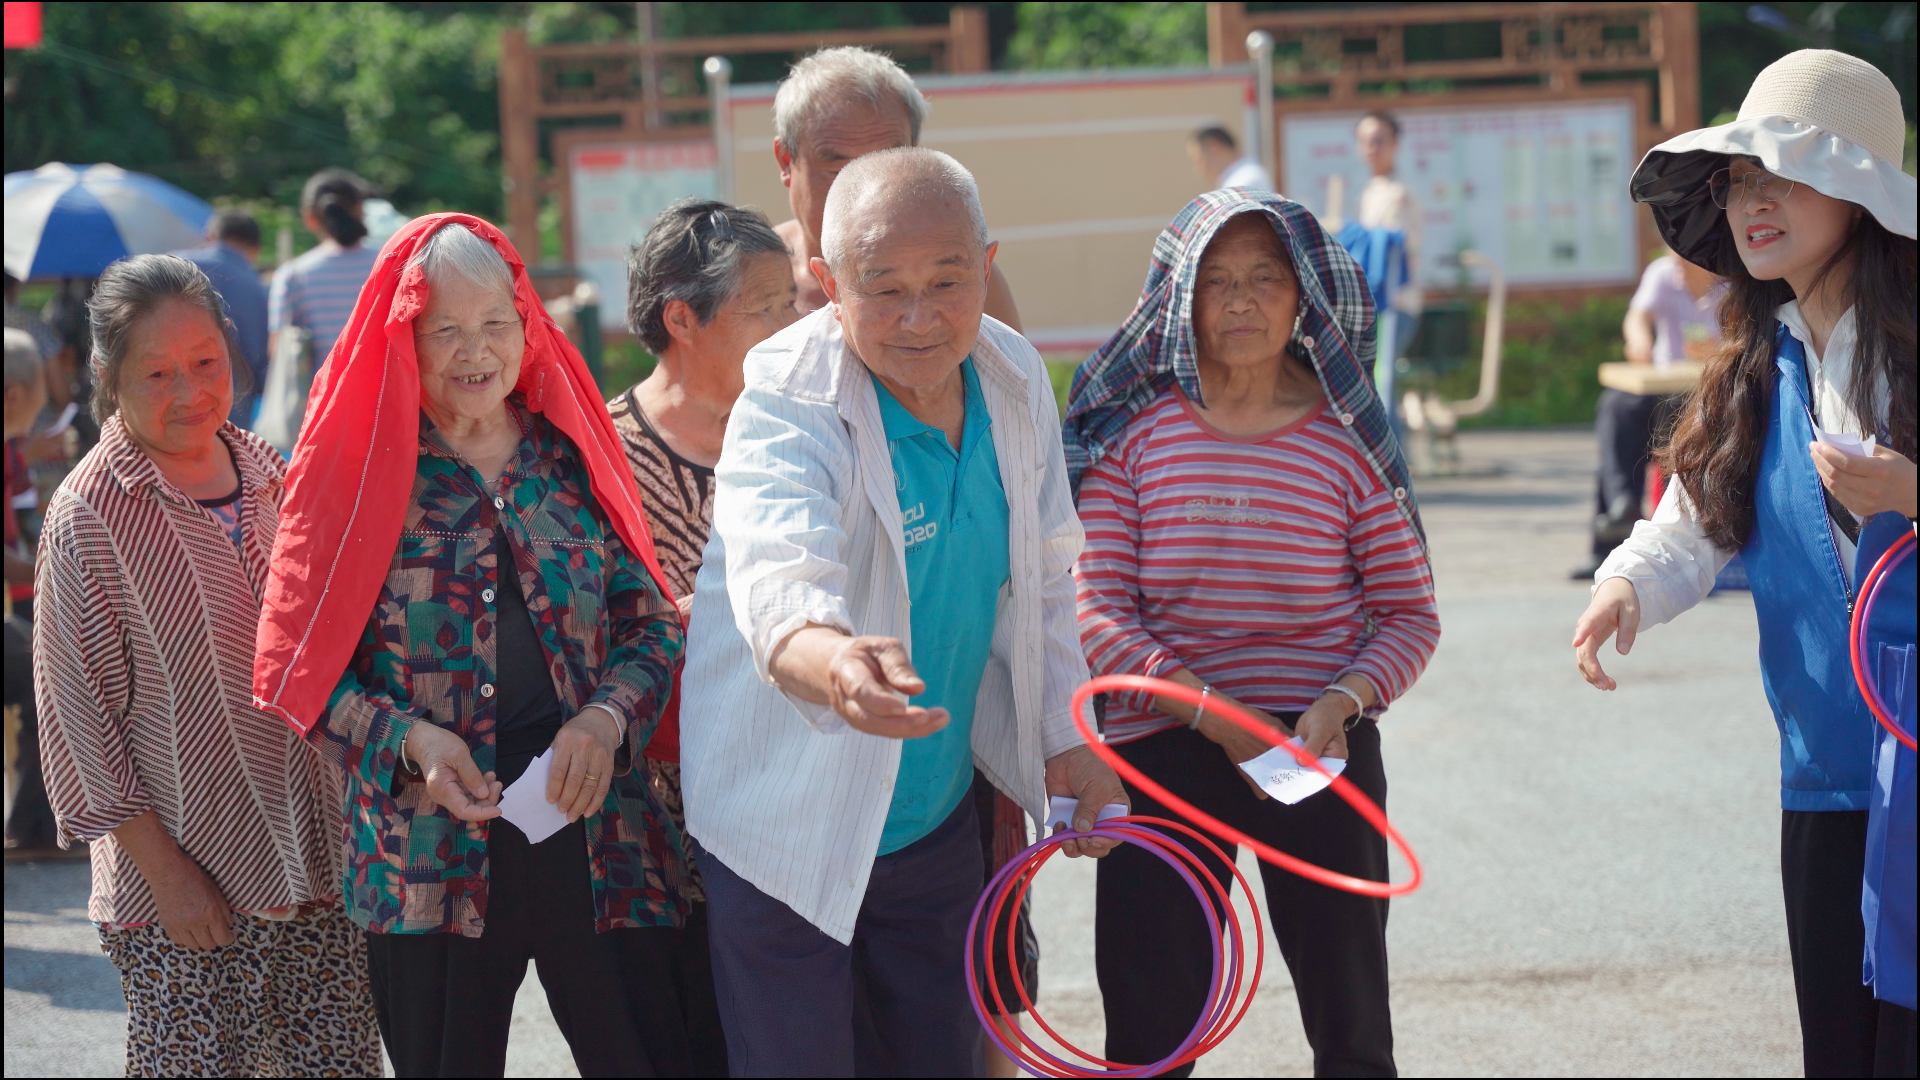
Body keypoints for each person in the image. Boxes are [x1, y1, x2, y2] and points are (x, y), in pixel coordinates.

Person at [678, 147, 1127, 1076]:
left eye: (947, 282)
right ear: (827, 284)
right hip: (785, 825)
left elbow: (1044, 575)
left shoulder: (1010, 373)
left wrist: (1066, 739)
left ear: (987, 266)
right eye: (884, 289)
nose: (920, 317)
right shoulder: (786, 396)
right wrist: (838, 663)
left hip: (933, 819)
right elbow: (779, 582)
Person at [252, 214, 693, 1078]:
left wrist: (605, 721)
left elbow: (649, 622)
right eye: (445, 330)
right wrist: (411, 743)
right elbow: (302, 669)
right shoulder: (358, 472)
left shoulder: (570, 456)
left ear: (527, 327)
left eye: (496, 322)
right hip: (426, 851)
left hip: (594, 829)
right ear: (403, 342)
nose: (475, 350)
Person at [1575, 49, 1917, 1077]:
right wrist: (1625, 584)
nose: (1752, 202)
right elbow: (1695, 519)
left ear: (1859, 191)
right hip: (1825, 776)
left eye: (1783, 175)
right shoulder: (1759, 364)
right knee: (1840, 1048)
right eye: (1736, 181)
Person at [1065, 189, 1439, 1076]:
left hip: (1315, 742)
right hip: (1163, 739)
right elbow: (1095, 608)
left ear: (1302, 296)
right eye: (1217, 281)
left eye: (1265, 278)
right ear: (1181, 302)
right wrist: (1218, 717)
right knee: (1150, 1032)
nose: (1240, 302)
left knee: (1353, 1029)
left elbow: (1408, 613)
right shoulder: (1132, 434)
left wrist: (1339, 704)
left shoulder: (1346, 440)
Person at [31, 255, 381, 1077]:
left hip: (321, 871)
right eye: (157, 372)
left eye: (205, 362)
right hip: (185, 892)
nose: (189, 391)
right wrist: (167, 875)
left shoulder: (271, 473)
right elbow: (77, 718)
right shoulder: (88, 516)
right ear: (108, 376)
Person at [609, 198, 798, 1075]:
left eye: (791, 303)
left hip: (794, 816)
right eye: (765, 308)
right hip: (654, 837)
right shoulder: (601, 457)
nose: (790, 326)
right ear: (682, 319)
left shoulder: (806, 429)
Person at [770, 46, 1023, 331]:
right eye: (836, 169)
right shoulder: (746, 283)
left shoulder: (961, 279)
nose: (863, 195)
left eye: (883, 167)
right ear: (786, 160)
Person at [1575, 251, 1726, 576]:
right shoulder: (1662, 273)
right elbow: (1637, 316)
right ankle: (1621, 509)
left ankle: (1679, 553)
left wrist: (1718, 351)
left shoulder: (1732, 284)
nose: (1677, 264)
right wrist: (1639, 338)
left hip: (1709, 392)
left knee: (1676, 413)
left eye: (1684, 258)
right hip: (1660, 381)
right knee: (1617, 406)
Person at [268, 168, 378, 379]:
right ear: (361, 210)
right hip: (386, 394)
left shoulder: (293, 275)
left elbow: (280, 352)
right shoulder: (393, 264)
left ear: (309, 218)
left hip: (323, 395)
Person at [172, 209, 269, 426]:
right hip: (231, 412)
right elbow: (262, 360)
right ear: (255, 249)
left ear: (209, 236)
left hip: (168, 401)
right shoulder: (258, 290)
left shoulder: (172, 266)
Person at [1186, 125, 1273, 191]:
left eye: (1198, 160)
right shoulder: (1240, 177)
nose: (1197, 169)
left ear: (1214, 147)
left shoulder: (1244, 182)